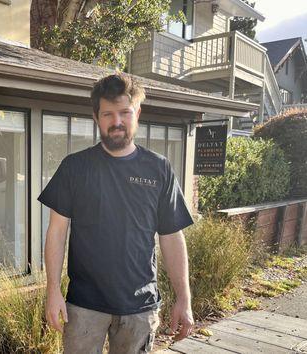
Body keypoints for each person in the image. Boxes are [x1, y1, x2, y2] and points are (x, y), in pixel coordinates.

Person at [38, 73, 195, 353]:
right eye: (108, 114)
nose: (117, 121)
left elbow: (172, 236)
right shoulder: (75, 167)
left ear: (138, 113)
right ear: (96, 117)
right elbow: (56, 231)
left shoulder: (159, 169)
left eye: (125, 112)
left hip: (139, 307)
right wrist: (53, 292)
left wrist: (184, 298)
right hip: (84, 305)